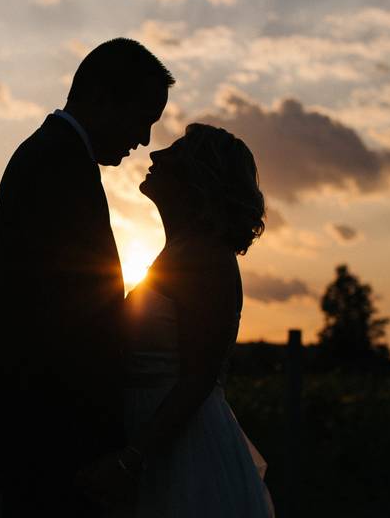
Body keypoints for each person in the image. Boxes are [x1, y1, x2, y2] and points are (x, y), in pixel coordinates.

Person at [0, 38, 173, 517]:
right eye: (141, 118)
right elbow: (66, 312)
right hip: (47, 428)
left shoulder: (57, 157)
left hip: (40, 424)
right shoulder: (55, 163)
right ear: (100, 96)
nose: (143, 139)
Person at [78, 123, 274, 517]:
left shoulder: (208, 260)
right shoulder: (179, 253)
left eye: (177, 151)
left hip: (183, 451)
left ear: (200, 180)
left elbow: (199, 378)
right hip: (154, 439)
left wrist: (132, 459)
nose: (155, 155)